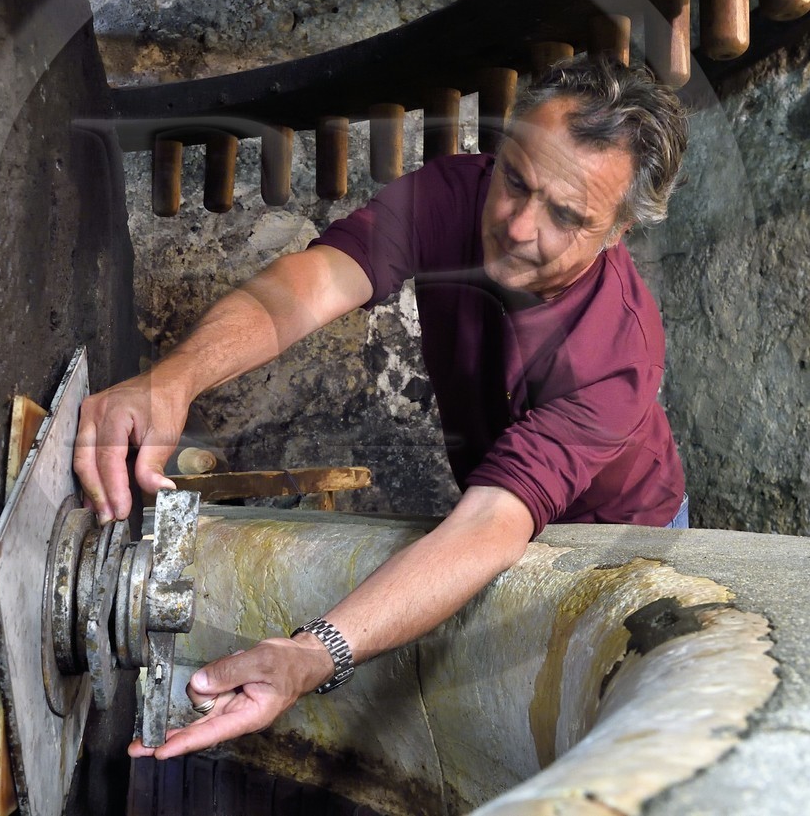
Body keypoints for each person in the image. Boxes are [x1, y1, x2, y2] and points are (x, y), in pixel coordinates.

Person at [72, 53, 689, 760]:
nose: (519, 225)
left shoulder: (616, 355)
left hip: (620, 538)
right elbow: (313, 283)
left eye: (567, 216)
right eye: (516, 178)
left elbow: (490, 525)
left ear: (617, 232)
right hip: (500, 511)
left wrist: (313, 653)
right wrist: (172, 381)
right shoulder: (454, 193)